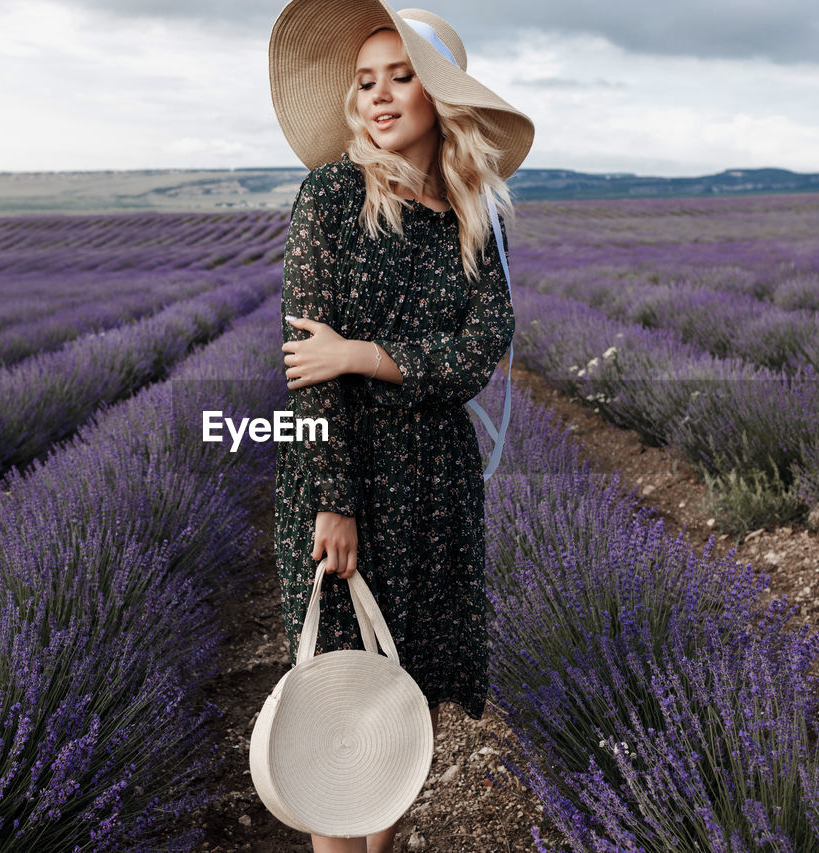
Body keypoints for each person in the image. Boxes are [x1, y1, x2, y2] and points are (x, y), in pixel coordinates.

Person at [267, 2, 533, 850]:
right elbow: (310, 370)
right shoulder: (333, 196)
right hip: (343, 482)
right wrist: (333, 501)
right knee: (335, 726)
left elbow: (480, 351)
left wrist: (366, 354)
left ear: (440, 98)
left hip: (436, 490)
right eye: (366, 81)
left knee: (398, 719)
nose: (380, 97)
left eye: (402, 76)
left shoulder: (470, 216)